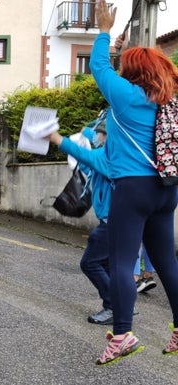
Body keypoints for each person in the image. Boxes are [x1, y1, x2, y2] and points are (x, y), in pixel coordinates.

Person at [87, 0, 178, 364]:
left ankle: (122, 334)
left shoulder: (124, 97)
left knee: (122, 263)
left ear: (133, 72)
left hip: (133, 188)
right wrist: (121, 49)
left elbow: (97, 66)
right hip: (166, 188)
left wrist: (105, 30)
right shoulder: (167, 101)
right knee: (167, 262)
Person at [48, 117, 115, 325]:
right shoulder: (109, 155)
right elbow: (89, 165)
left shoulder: (109, 156)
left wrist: (58, 139)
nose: (97, 136)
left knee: (90, 263)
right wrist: (87, 135)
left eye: (100, 133)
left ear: (107, 136)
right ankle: (123, 303)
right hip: (114, 221)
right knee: (108, 264)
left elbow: (87, 156)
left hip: (112, 223)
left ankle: (113, 306)